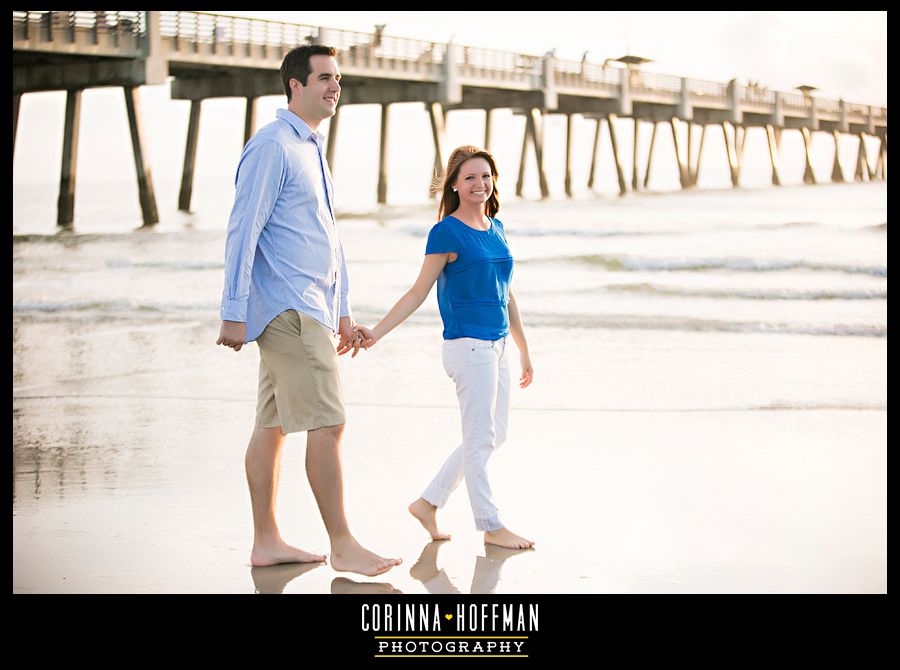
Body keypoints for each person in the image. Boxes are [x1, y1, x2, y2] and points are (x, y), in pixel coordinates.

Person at [216, 45, 401, 576]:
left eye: (338, 79)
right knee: (330, 420)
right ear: (294, 85)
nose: (334, 87)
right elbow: (242, 230)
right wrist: (232, 310)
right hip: (289, 309)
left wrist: (342, 311)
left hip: (311, 308)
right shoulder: (273, 145)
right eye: (323, 77)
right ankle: (342, 543)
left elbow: (325, 239)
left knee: (271, 424)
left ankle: (267, 540)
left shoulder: (310, 148)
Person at [355, 145, 535, 550]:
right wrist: (377, 333)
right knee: (478, 438)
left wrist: (524, 349)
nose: (479, 183)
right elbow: (418, 291)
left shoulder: (496, 226)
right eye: (470, 177)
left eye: (485, 176)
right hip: (468, 348)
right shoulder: (445, 232)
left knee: (494, 435)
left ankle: (428, 502)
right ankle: (491, 526)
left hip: (499, 346)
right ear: (454, 184)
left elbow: (507, 295)